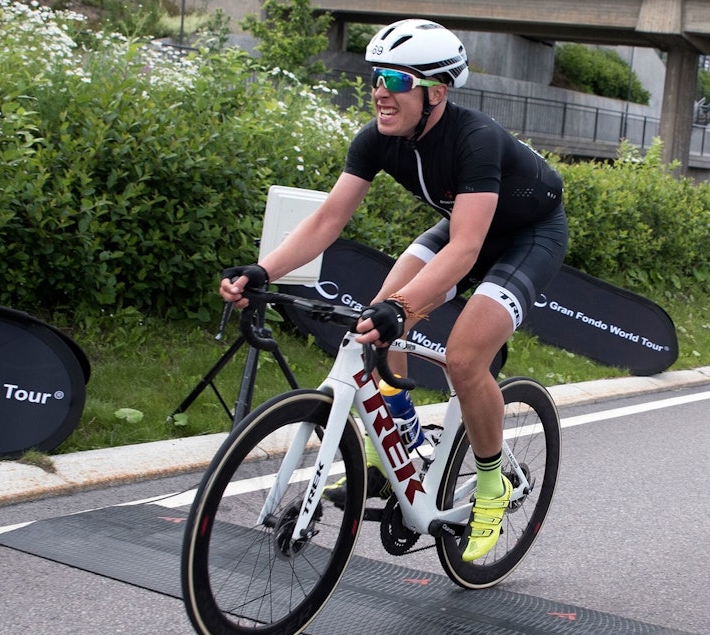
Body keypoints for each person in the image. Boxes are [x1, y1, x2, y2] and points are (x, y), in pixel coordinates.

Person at [219, 19, 567, 562]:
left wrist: (405, 307)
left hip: (525, 236)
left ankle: (493, 484)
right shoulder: (377, 139)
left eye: (397, 80)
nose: (380, 89)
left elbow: (467, 249)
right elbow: (328, 218)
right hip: (465, 225)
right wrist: (266, 271)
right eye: (377, 75)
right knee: (372, 327)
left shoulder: (474, 140)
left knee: (464, 357)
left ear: (437, 93)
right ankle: (394, 446)